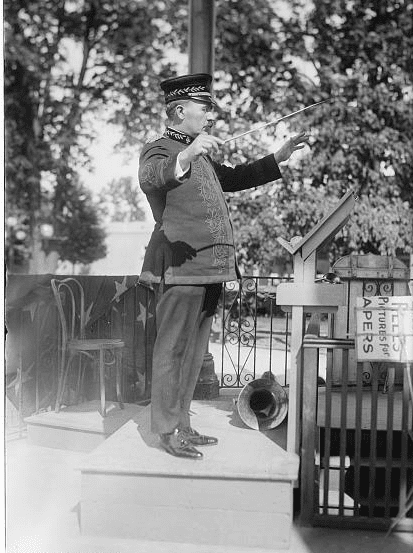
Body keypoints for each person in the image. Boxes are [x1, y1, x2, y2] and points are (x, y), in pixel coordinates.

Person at [138, 73, 308, 460]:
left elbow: (233, 177)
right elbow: (149, 178)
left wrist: (277, 157)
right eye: (205, 109)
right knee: (172, 351)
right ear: (179, 111)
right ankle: (166, 429)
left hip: (210, 270)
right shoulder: (159, 150)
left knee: (193, 354)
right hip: (180, 269)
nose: (212, 117)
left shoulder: (203, 157)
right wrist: (186, 155)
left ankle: (181, 422)